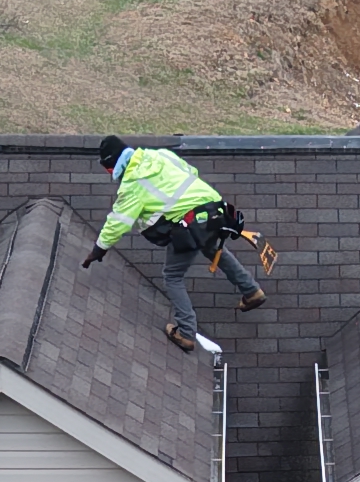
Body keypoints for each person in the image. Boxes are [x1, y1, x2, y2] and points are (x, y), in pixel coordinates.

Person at [85, 136, 266, 349]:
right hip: (215, 208)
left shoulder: (132, 183)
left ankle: (186, 332)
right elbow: (191, 174)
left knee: (172, 275)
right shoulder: (159, 154)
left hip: (191, 222)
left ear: (113, 165)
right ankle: (252, 291)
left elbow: (118, 221)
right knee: (212, 246)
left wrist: (99, 249)